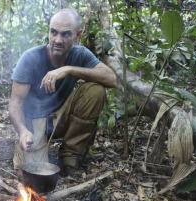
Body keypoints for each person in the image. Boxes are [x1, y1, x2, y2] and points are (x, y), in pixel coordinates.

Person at [9, 8, 116, 177]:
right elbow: (15, 103)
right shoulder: (30, 58)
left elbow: (111, 79)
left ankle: (70, 156)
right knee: (31, 174)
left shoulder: (80, 55)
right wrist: (22, 131)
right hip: (33, 124)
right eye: (54, 32)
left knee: (96, 90)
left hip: (60, 119)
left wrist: (69, 69)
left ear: (78, 35)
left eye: (66, 34)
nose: (57, 40)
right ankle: (32, 145)